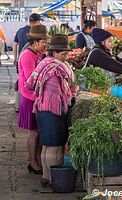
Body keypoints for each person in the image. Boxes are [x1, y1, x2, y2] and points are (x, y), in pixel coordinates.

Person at [25, 34, 78, 187]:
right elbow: (70, 83)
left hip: (41, 108)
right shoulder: (57, 66)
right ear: (54, 52)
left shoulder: (43, 63)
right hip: (53, 109)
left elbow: (29, 84)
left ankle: (46, 177)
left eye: (67, 54)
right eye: (63, 54)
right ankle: (56, 180)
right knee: (54, 146)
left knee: (47, 145)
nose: (66, 57)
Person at [18, 24, 50, 175]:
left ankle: (37, 160)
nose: (46, 45)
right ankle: (32, 163)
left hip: (38, 98)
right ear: (35, 42)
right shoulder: (27, 56)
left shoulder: (38, 54)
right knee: (34, 132)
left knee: (39, 131)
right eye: (44, 42)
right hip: (30, 99)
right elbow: (31, 81)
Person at [13, 13, 42, 113]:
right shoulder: (35, 32)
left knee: (20, 80)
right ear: (37, 22)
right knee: (26, 81)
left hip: (20, 58)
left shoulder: (20, 30)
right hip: (28, 58)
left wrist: (15, 57)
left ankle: (18, 106)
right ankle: (23, 107)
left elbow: (15, 44)